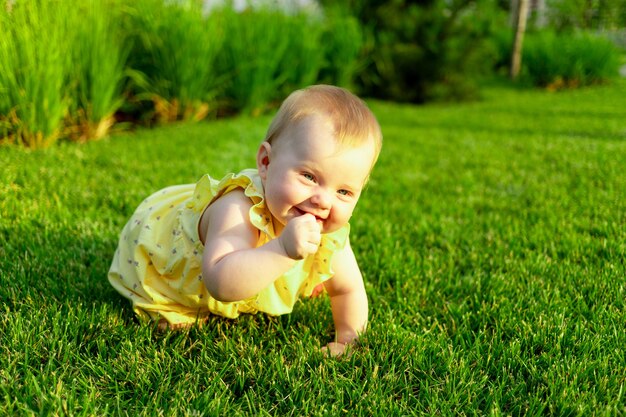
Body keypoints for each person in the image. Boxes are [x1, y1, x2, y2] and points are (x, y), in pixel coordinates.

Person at [108, 85, 383, 356]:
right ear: (265, 162)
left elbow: (349, 288)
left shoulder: (328, 232)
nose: (323, 201)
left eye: (344, 192)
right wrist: (283, 250)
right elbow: (221, 283)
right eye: (309, 177)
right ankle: (167, 303)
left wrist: (349, 340)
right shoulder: (238, 209)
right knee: (175, 322)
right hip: (166, 256)